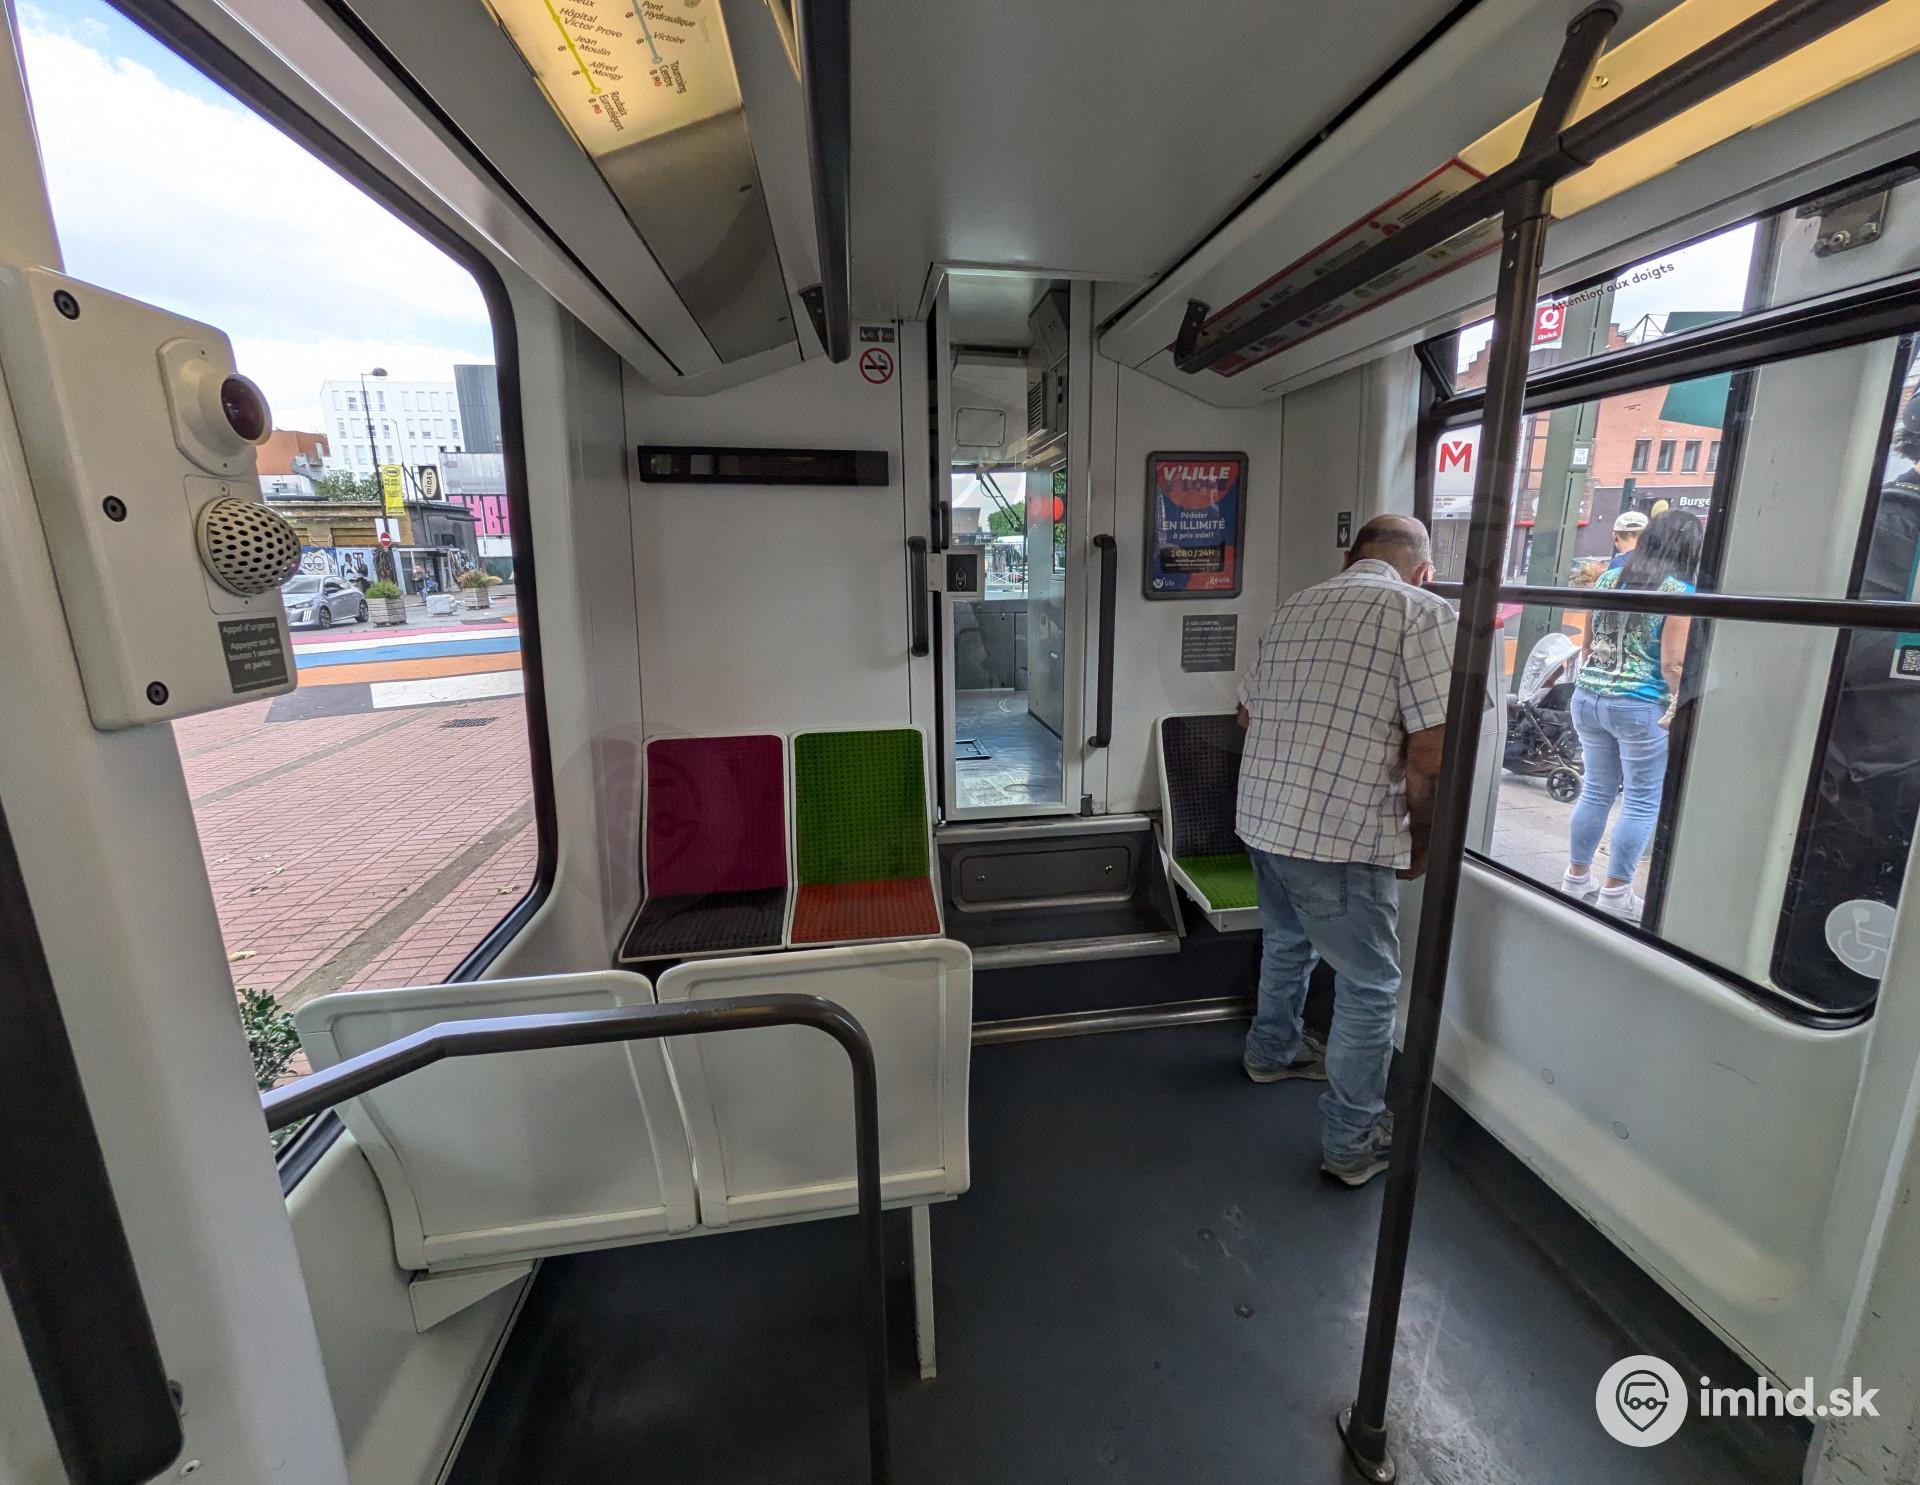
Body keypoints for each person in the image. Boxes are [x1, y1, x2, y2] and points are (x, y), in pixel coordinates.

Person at [1234, 514, 1452, 1188]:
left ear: (1350, 556)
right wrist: (1422, 839)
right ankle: (1351, 1143)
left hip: (1262, 816)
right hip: (1341, 833)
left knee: (1286, 939)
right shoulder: (1422, 613)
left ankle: (1271, 1052)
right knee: (1369, 985)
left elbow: (1246, 714)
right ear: (1423, 571)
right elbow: (1431, 750)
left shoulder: (1294, 607)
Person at [1561, 508, 1704, 919]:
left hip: (1588, 697)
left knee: (1596, 790)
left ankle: (1576, 878)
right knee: (1641, 800)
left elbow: (1588, 643)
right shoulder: (1680, 592)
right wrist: (1679, 702)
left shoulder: (1609, 578)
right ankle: (1615, 891)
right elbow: (1673, 663)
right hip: (1641, 704)